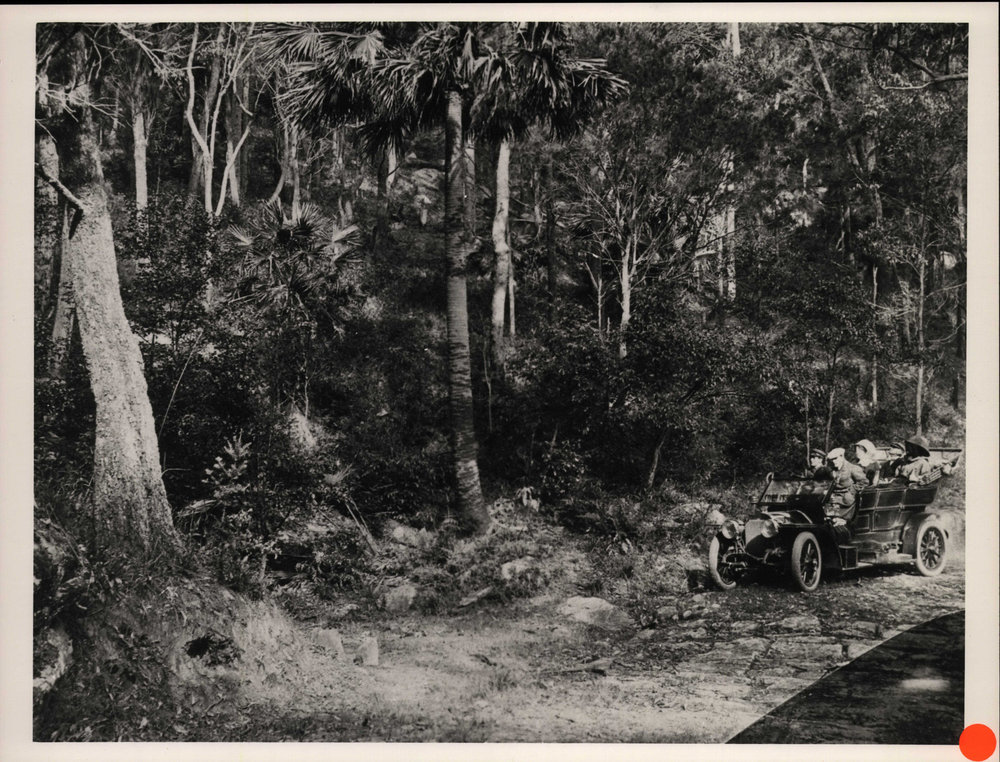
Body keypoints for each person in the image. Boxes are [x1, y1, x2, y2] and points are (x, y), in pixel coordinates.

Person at [825, 447, 868, 542]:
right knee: (827, 521)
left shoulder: (853, 468)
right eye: (831, 460)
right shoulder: (832, 470)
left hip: (847, 503)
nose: (833, 462)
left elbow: (864, 482)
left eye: (835, 459)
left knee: (840, 523)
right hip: (833, 500)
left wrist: (851, 492)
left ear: (841, 456)